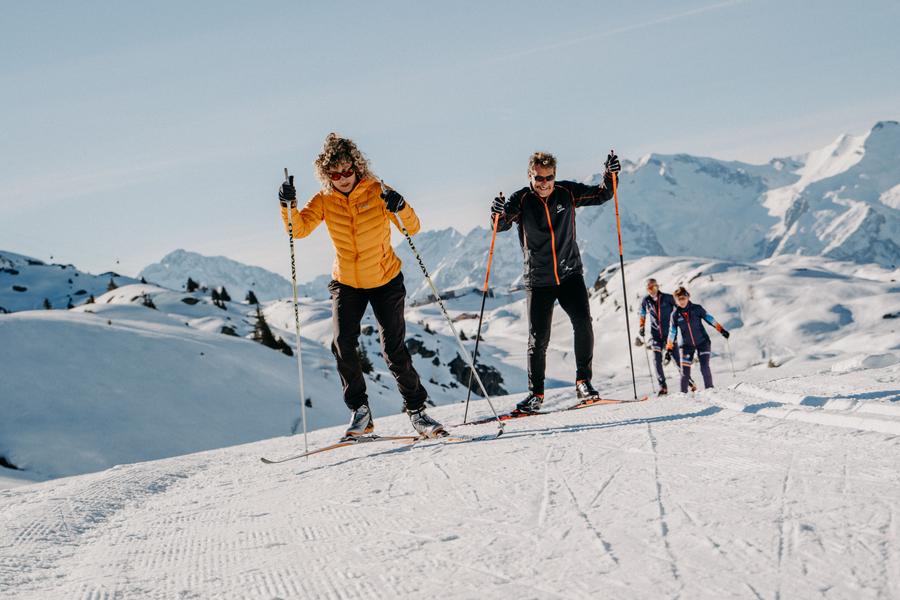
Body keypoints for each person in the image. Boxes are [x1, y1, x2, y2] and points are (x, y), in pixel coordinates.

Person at [279, 133, 444, 438]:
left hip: (385, 279)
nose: (342, 179)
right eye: (335, 174)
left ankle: (418, 411)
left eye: (347, 171)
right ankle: (361, 413)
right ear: (327, 175)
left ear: (357, 166)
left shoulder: (379, 190)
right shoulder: (324, 200)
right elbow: (297, 230)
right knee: (343, 344)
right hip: (347, 282)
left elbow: (413, 227)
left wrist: (401, 205)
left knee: (393, 349)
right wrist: (287, 204)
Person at [491, 150, 620, 413]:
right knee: (538, 339)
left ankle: (584, 382)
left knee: (583, 323)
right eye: (539, 178)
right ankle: (535, 395)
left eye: (549, 177)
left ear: (555, 176)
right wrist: (497, 214)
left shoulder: (567, 192)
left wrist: (611, 175)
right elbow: (501, 225)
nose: (544, 183)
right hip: (539, 280)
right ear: (530, 175)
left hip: (570, 273)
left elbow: (602, 194)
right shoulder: (521, 199)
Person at [665, 286, 730, 393]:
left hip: (702, 342)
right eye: (678, 299)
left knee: (704, 367)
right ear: (675, 301)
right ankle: (683, 396)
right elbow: (672, 332)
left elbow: (710, 319)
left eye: (683, 298)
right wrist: (669, 348)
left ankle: (710, 391)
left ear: (688, 297)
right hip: (686, 346)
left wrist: (721, 330)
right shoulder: (675, 315)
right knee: (685, 373)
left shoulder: (697, 308)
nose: (681, 301)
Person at [638, 278, 679, 395]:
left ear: (658, 286)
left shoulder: (667, 298)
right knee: (656, 360)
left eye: (654, 287)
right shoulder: (646, 300)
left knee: (676, 359)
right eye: (649, 288)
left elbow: (678, 308)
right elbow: (642, 313)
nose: (652, 290)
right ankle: (663, 386)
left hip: (670, 335)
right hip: (656, 335)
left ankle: (688, 381)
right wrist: (641, 326)